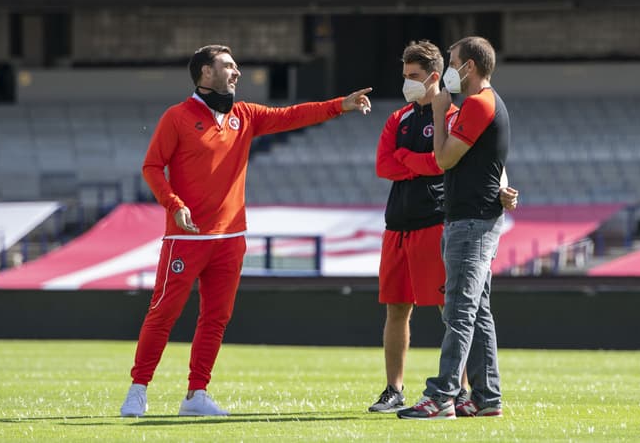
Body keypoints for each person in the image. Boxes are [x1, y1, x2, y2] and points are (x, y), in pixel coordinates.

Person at [119, 44, 372, 419]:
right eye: (228, 65)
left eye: (236, 65)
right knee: (163, 313)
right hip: (185, 238)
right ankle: (138, 389)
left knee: (216, 317)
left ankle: (196, 394)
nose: (236, 72)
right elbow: (152, 168)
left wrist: (340, 105)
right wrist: (175, 205)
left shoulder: (245, 115)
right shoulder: (176, 117)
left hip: (230, 238)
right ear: (205, 73)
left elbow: (291, 115)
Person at [369, 39, 517, 414]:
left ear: (467, 67)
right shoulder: (407, 117)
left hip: (460, 220)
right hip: (426, 220)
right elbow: (386, 165)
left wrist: (432, 125)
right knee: (473, 310)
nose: (407, 83)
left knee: (458, 310)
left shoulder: (470, 107)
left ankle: (444, 395)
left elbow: (443, 159)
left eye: (454, 63)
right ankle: (485, 398)